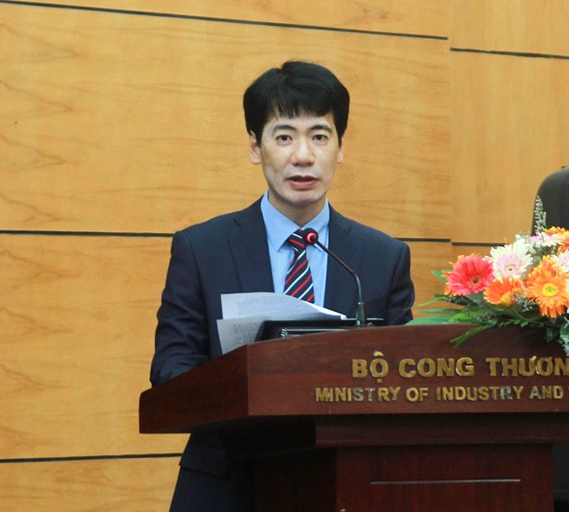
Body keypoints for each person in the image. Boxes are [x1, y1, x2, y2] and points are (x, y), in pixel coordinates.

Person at [150, 60, 415, 511]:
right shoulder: (202, 249)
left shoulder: (382, 258)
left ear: (340, 147)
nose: (303, 156)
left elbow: (401, 374)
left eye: (319, 136)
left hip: (345, 482)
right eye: (285, 137)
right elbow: (171, 367)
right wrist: (246, 393)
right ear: (256, 147)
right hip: (228, 483)